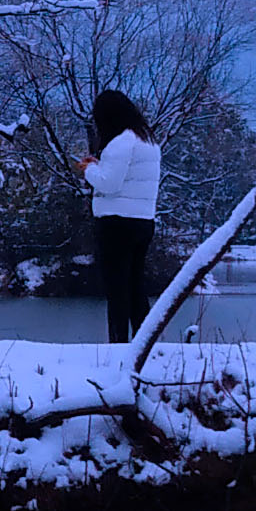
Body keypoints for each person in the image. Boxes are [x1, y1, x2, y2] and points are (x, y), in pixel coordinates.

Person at [83, 88, 161, 344]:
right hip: (143, 222)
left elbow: (109, 183)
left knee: (117, 290)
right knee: (136, 288)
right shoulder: (148, 142)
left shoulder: (121, 142)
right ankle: (144, 345)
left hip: (116, 224)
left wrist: (89, 169)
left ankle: (117, 345)